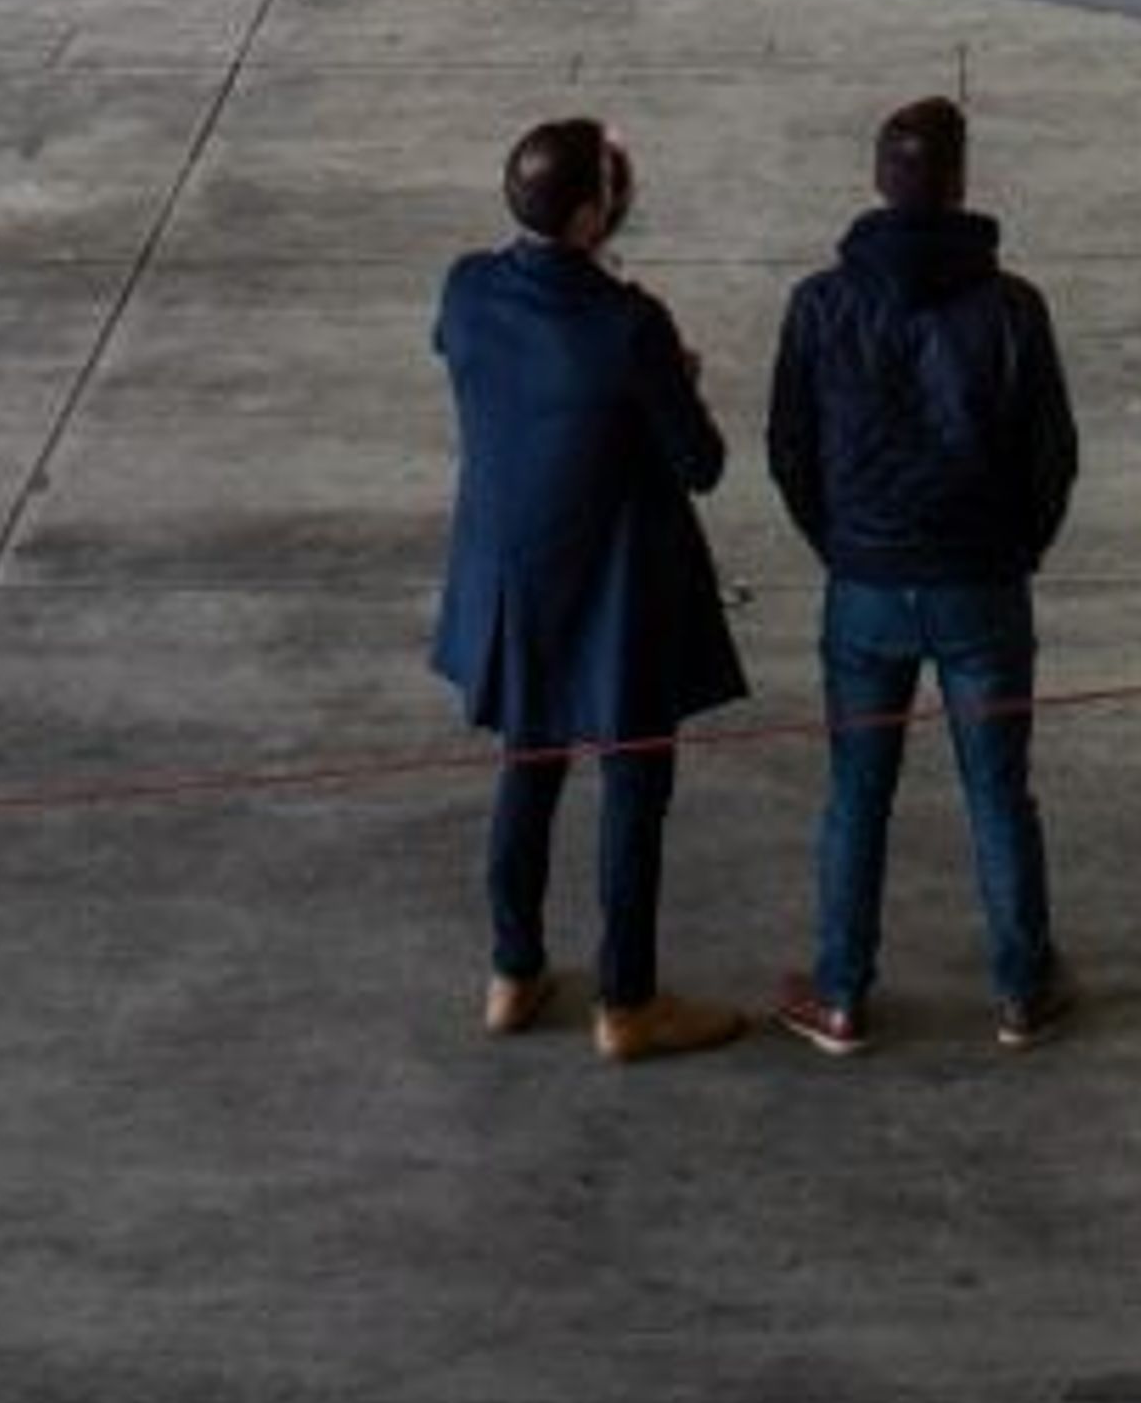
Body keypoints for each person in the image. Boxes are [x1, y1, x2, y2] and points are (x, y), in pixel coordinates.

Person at [429, 113, 749, 1064]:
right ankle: (627, 1000)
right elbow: (702, 465)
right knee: (633, 791)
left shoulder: (467, 286)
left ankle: (513, 969)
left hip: (512, 583)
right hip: (617, 595)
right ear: (585, 219)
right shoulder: (628, 324)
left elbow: (465, 349)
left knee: (529, 769)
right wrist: (676, 380)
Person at [764, 93, 1078, 1059]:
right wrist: (1014, 551)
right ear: (960, 185)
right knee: (999, 792)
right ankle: (1023, 989)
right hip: (982, 586)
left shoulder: (821, 303)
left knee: (857, 792)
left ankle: (844, 991)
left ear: (878, 181)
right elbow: (1053, 455)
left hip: (864, 586)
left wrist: (846, 544)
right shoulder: (1012, 306)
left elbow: (789, 447)